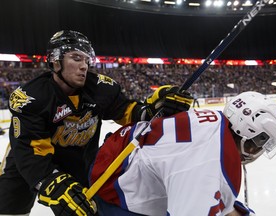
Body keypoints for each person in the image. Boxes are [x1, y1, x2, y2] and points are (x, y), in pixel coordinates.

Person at [0, 30, 193, 215]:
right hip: (27, 160)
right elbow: (31, 151)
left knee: (83, 209)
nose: (84, 66)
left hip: (77, 159)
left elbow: (128, 112)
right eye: (76, 58)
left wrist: (153, 109)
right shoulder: (31, 98)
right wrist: (52, 182)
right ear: (55, 60)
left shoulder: (101, 88)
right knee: (9, 210)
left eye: (86, 60)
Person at [89, 91, 276, 216]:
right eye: (261, 142)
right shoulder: (206, 166)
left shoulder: (215, 122)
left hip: (119, 163)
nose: (258, 151)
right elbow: (201, 187)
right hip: (114, 193)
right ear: (248, 133)